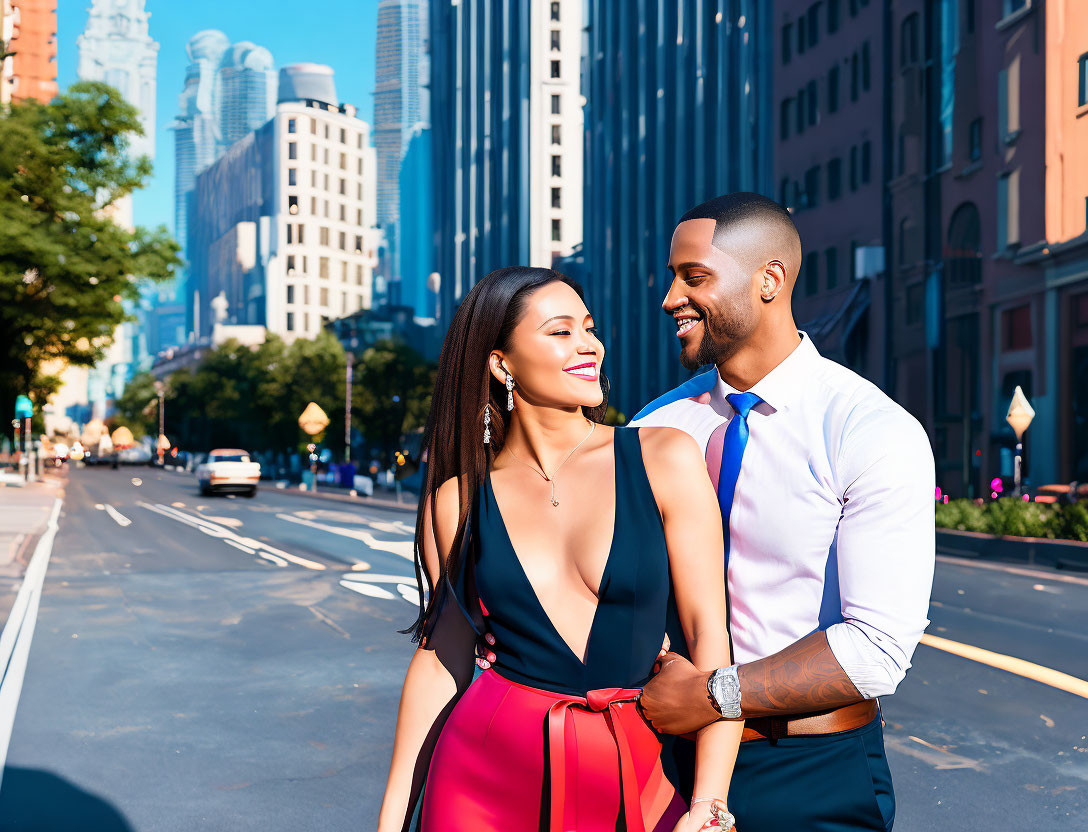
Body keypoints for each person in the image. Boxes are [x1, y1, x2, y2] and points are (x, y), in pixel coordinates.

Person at [377, 267, 744, 832]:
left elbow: (710, 639)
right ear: (502, 363)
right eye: (561, 331)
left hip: (636, 773)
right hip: (481, 778)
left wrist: (710, 803)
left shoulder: (662, 457)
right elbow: (442, 657)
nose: (589, 345)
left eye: (590, 328)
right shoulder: (457, 501)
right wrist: (394, 819)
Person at [631, 193, 935, 831]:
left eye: (694, 278)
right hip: (657, 759)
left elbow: (878, 648)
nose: (669, 299)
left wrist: (715, 696)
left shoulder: (869, 429)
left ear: (769, 280)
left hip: (813, 769)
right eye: (671, 278)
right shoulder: (655, 427)